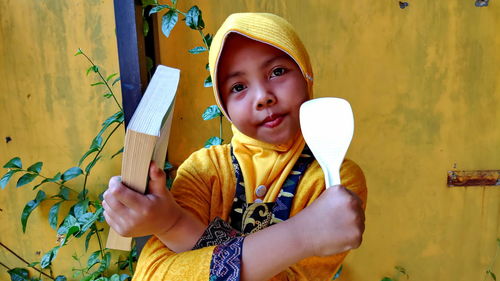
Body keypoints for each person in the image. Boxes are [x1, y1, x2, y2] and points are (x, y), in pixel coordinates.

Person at [102, 12, 367, 281]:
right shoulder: (204, 170)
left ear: (306, 74)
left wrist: (175, 226)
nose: (263, 97)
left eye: (277, 72)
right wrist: (303, 235)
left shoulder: (333, 180)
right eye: (239, 87)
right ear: (224, 106)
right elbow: (156, 274)